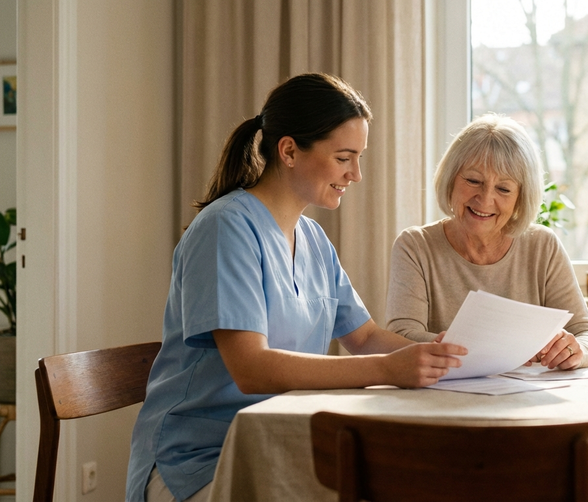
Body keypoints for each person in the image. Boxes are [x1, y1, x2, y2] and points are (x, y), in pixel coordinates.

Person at [126, 73, 466, 502]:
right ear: (288, 150)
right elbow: (252, 369)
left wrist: (448, 355)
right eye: (344, 158)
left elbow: (363, 337)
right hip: (199, 460)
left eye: (359, 158)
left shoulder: (313, 239)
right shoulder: (225, 229)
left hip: (277, 445)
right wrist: (386, 370)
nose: (356, 174)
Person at [386, 113, 588, 371]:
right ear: (451, 179)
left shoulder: (542, 246)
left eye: (503, 189)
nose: (485, 199)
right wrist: (474, 349)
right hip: (443, 390)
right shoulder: (415, 246)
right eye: (473, 181)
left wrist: (576, 350)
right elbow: (400, 337)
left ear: (520, 198)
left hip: (523, 392)